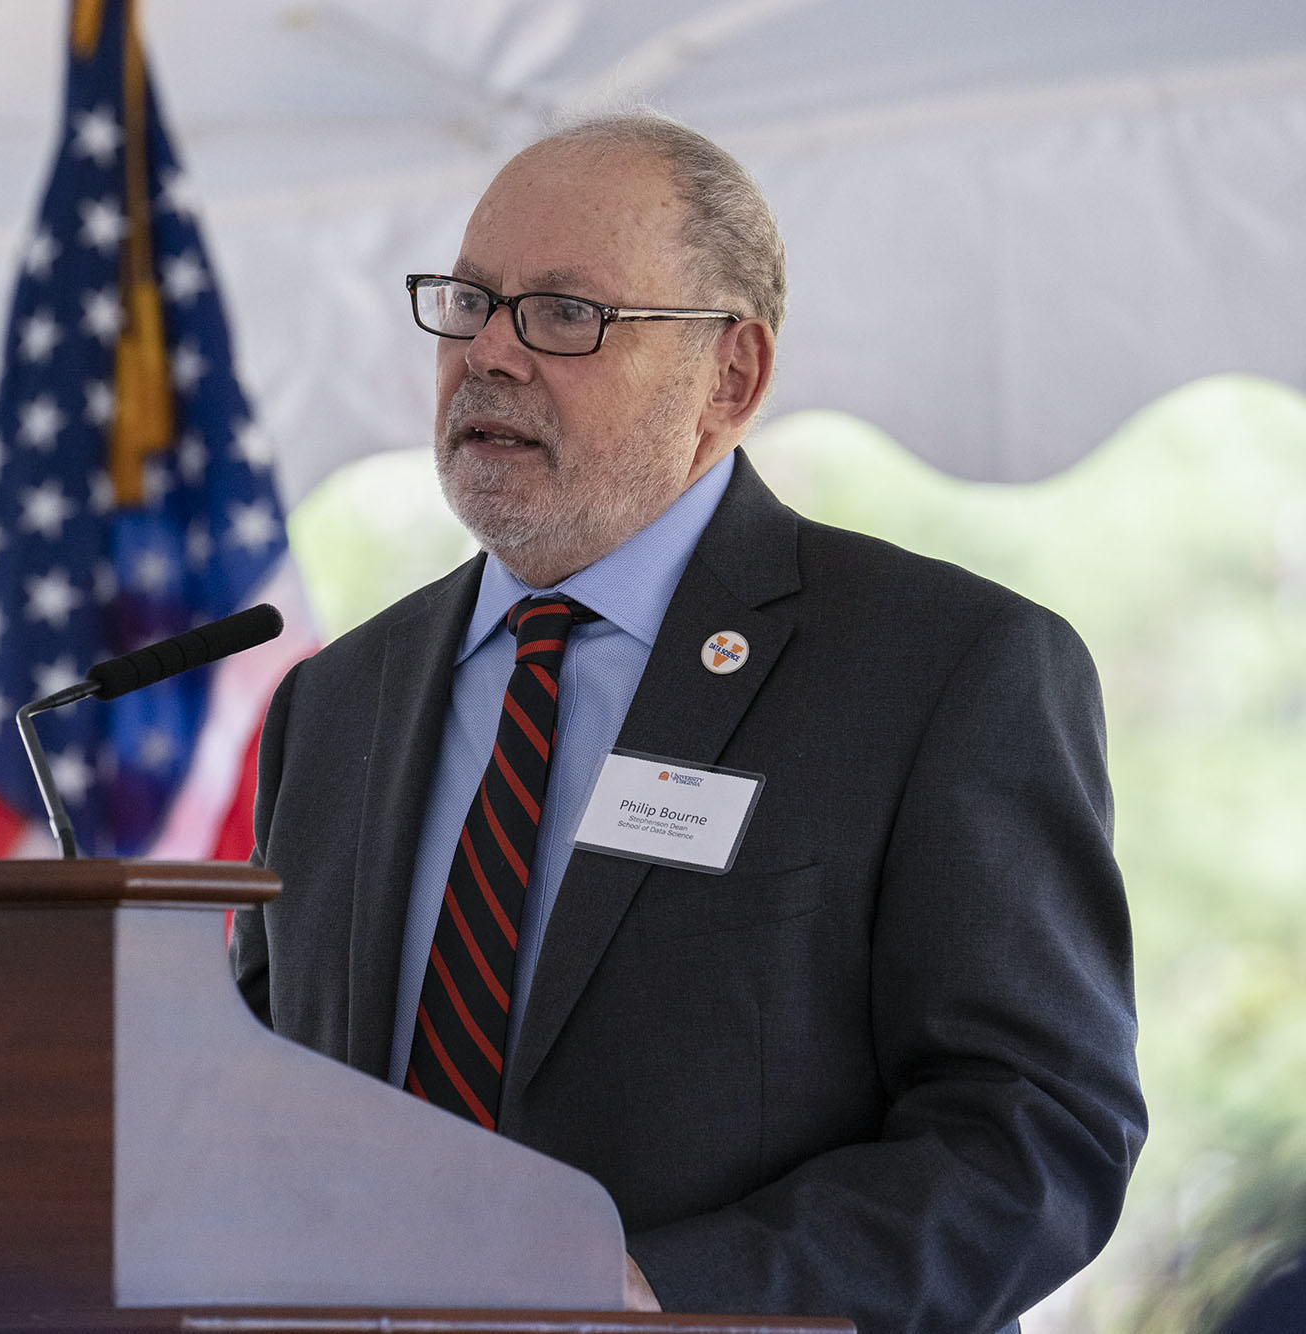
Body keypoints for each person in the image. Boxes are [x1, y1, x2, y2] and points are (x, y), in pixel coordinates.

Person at [230, 111, 1145, 1334]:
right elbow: (256, 1090)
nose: (487, 353)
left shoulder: (939, 668)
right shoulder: (333, 700)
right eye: (467, 301)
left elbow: (1035, 1131)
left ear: (730, 376)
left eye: (564, 313)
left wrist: (664, 1293)